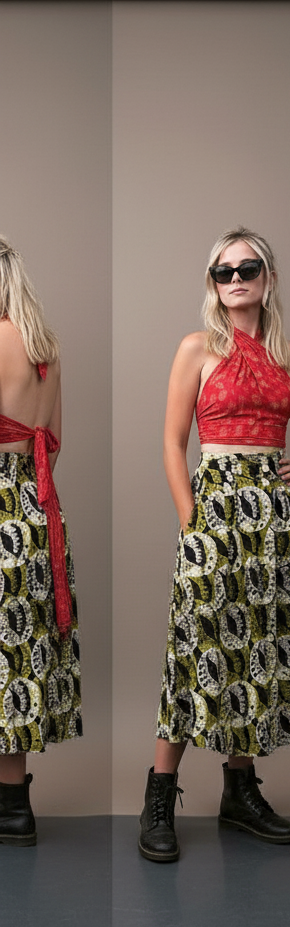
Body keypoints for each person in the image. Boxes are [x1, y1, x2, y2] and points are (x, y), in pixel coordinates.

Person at [138, 227, 290, 862]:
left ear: (269, 278)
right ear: (213, 284)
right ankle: (159, 796)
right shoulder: (196, 349)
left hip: (277, 517)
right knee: (196, 646)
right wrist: (189, 519)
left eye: (247, 268)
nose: (235, 280)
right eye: (223, 272)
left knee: (255, 644)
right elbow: (173, 442)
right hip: (217, 507)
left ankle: (239, 790)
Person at [0, 237, 80, 847]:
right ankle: (15, 807)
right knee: (18, 655)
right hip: (31, 511)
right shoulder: (44, 350)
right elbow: (52, 439)